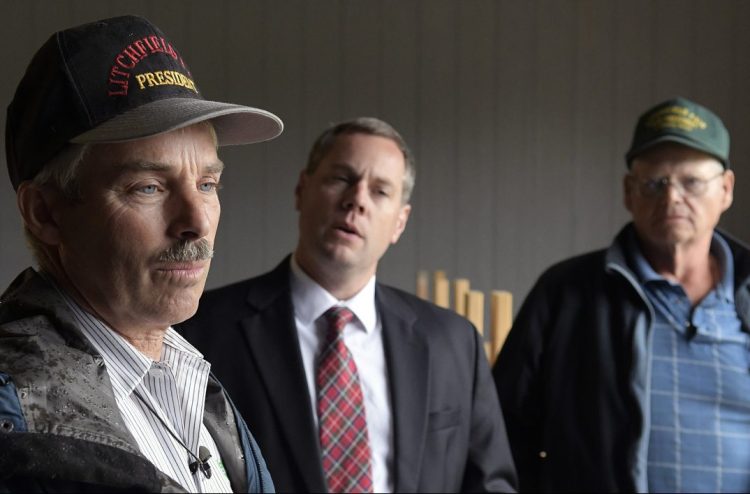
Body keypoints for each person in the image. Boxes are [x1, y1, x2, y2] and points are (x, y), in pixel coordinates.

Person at [0, 15, 284, 492]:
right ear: (45, 212)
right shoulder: (14, 410)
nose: (197, 220)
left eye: (207, 183)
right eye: (148, 187)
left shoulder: (189, 373)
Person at [179, 117, 518, 493]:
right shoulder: (201, 330)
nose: (356, 200)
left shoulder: (453, 342)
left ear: (399, 223)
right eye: (341, 178)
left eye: (380, 191)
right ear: (302, 189)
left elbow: (491, 484)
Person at [493, 97, 750, 493]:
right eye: (654, 183)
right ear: (629, 192)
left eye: (692, 182)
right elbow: (500, 435)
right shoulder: (567, 294)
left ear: (727, 190)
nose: (672, 198)